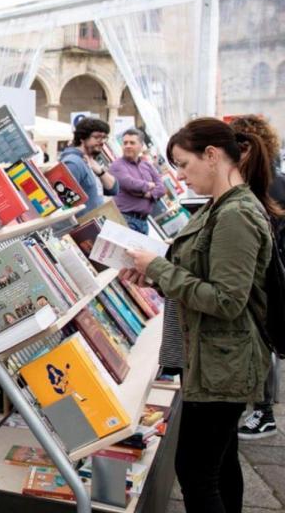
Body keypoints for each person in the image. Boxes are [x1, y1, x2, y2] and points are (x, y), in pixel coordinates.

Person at [122, 118, 277, 513]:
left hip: (222, 365)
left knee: (195, 473)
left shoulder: (236, 214)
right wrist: (154, 275)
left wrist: (158, 268)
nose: (181, 175)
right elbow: (201, 274)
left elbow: (226, 299)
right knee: (218, 466)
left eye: (184, 164)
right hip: (213, 359)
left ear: (211, 156)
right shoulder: (222, 206)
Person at [230, 114, 285, 440]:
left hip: (267, 275)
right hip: (269, 272)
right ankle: (262, 407)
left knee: (263, 342)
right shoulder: (270, 181)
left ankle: (263, 412)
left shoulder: (266, 185)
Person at [109, 128, 166, 234]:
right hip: (126, 219)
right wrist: (149, 184)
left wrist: (149, 195)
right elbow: (131, 184)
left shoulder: (147, 165)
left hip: (144, 221)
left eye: (132, 143)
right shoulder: (117, 165)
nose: (127, 146)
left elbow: (162, 188)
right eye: (125, 143)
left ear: (141, 145)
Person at [59, 117, 119, 216]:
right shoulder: (73, 163)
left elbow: (114, 189)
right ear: (82, 138)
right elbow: (65, 205)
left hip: (95, 224)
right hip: (81, 227)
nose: (102, 141)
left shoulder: (91, 160)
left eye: (104, 137)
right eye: (97, 137)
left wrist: (100, 171)